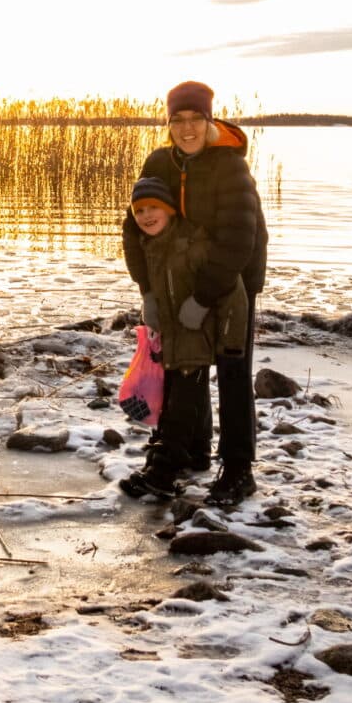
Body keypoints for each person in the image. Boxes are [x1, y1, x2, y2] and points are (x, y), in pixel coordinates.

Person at [122, 81, 268, 506]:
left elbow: (240, 240)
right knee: (184, 365)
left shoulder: (229, 166)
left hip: (233, 281)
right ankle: (191, 452)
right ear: (169, 124)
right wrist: (147, 290)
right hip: (179, 281)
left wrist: (204, 298)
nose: (187, 129)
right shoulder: (158, 162)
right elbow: (135, 226)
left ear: (209, 121)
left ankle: (239, 470)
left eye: (195, 120)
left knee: (233, 371)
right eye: (178, 120)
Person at [118, 176, 249, 500]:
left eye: (154, 208)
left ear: (171, 210)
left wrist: (230, 338)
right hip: (173, 336)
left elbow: (232, 292)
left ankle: (163, 473)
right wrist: (149, 305)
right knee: (173, 398)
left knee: (180, 408)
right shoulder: (152, 246)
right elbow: (158, 288)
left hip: (196, 337)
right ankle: (196, 454)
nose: (147, 216)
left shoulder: (192, 246)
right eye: (140, 210)